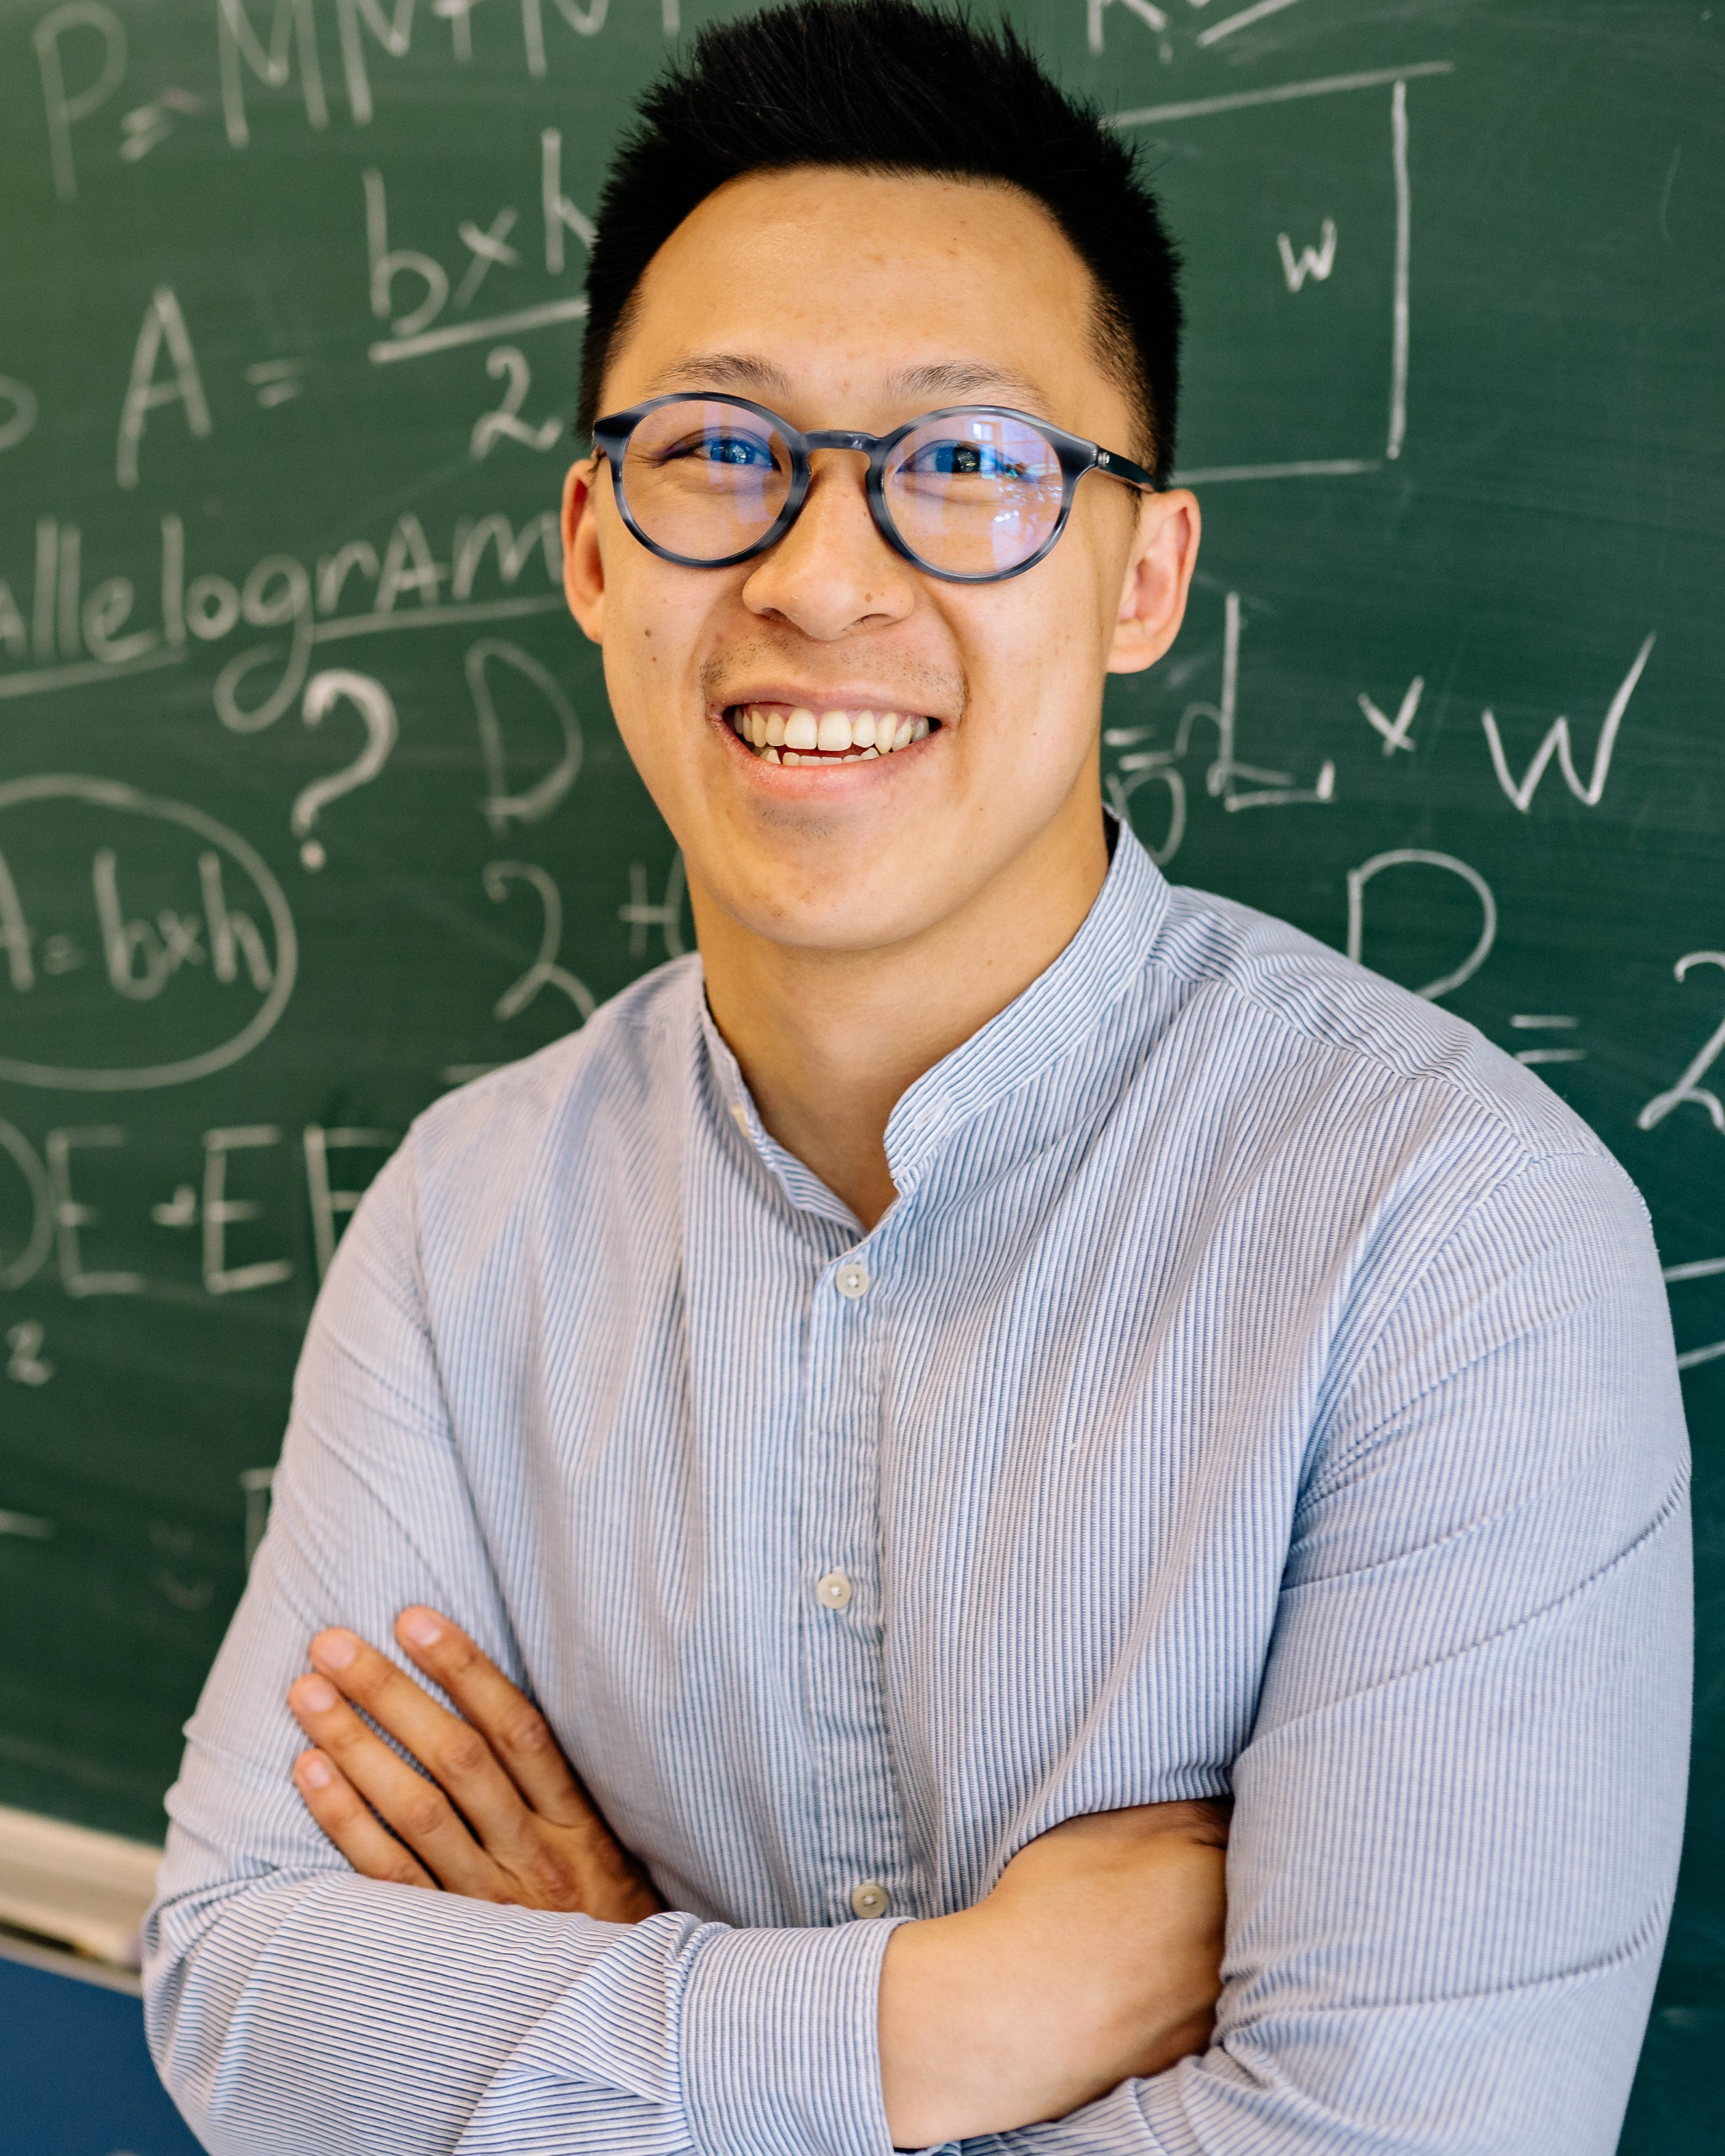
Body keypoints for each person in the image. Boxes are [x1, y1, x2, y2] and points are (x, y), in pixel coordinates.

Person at [143, 3, 1691, 2150]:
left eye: (966, 463)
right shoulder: (464, 1219)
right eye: (716, 449)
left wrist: (612, 1987)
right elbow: (241, 1995)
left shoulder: (1445, 1238)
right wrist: (939, 2019)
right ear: (593, 547)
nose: (820, 573)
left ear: (1139, 576)